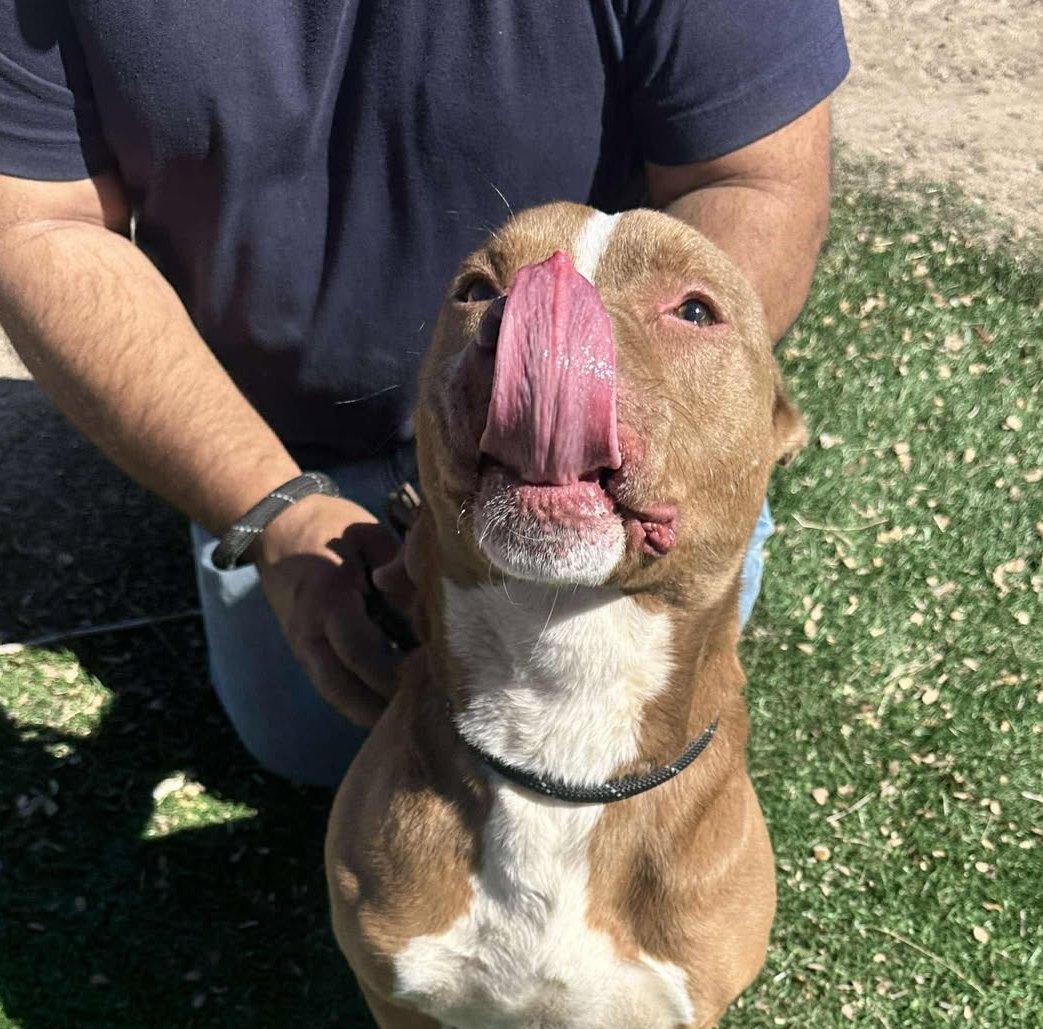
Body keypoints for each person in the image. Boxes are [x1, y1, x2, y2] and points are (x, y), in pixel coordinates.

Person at [0, 2, 848, 786]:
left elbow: (749, 178)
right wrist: (275, 511)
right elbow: (37, 222)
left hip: (618, 444)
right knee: (306, 742)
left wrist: (641, 437)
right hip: (283, 443)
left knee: (630, 738)